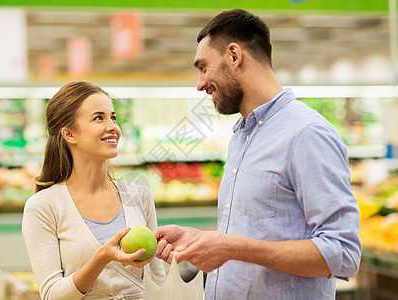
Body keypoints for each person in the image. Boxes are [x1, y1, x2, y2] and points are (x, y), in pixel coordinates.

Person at [154, 8, 362, 299]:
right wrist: (200, 239)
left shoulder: (306, 133)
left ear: (234, 56)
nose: (200, 84)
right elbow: (256, 231)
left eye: (203, 67)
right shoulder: (242, 135)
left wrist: (230, 247)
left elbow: (343, 253)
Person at [22, 81, 165, 300]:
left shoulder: (139, 196)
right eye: (99, 118)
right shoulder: (43, 206)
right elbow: (51, 295)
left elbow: (157, 280)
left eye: (113, 117)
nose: (113, 127)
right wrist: (102, 258)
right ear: (70, 134)